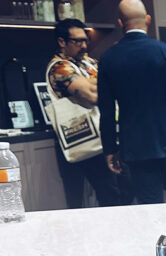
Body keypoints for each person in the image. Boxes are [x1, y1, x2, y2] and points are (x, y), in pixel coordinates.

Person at [98, 0, 166, 204]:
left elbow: (107, 111)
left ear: (120, 22)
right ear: (147, 20)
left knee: (151, 209)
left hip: (137, 147)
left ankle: (161, 238)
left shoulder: (108, 59)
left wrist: (109, 149)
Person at [47, 18, 124, 207]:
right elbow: (92, 95)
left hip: (101, 138)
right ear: (62, 42)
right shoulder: (59, 68)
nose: (83, 45)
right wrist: (106, 85)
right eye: (77, 41)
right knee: (85, 199)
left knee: (115, 193)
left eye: (85, 40)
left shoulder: (88, 63)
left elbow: (112, 84)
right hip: (80, 139)